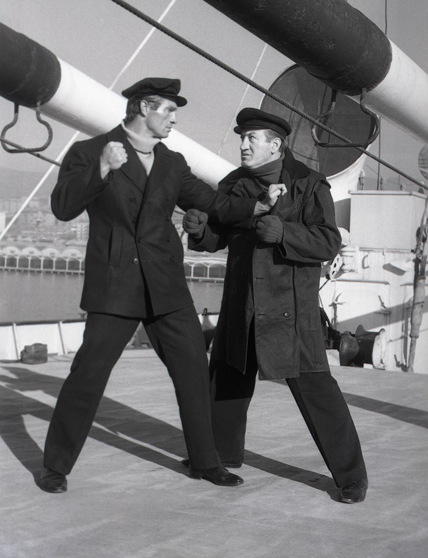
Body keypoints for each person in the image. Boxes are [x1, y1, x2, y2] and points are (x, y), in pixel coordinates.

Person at [38, 79, 282, 493]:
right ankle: (55, 466)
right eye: (168, 110)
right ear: (143, 108)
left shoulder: (172, 162)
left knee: (192, 371)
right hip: (115, 285)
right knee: (88, 375)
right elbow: (62, 207)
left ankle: (206, 462)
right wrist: (102, 169)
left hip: (166, 285)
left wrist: (257, 205)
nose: (174, 119)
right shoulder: (90, 152)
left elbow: (213, 203)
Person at [183, 107, 368, 504]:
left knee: (316, 390)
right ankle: (218, 457)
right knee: (227, 380)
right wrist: (200, 232)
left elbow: (328, 241)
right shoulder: (233, 184)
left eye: (251, 138)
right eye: (242, 137)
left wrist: (284, 232)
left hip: (290, 310)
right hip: (242, 303)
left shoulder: (308, 184)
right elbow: (219, 236)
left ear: (275, 145)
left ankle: (352, 477)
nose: (243, 144)